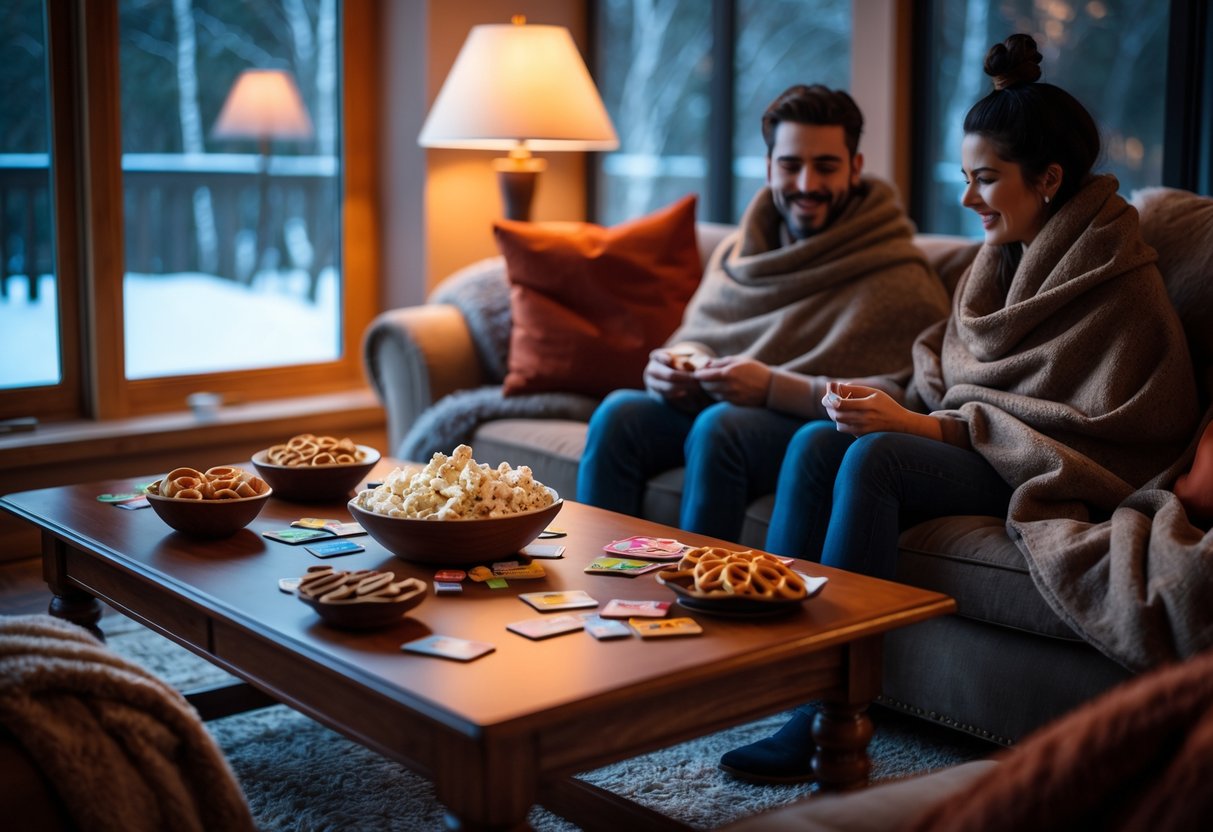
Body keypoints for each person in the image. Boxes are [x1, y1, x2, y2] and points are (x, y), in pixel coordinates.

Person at [720, 34, 1200, 783]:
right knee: (818, 445)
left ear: (1046, 178)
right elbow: (960, 374)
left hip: (1057, 468)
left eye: (984, 179)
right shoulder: (1001, 254)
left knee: (878, 458)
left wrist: (918, 426)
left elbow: (1101, 432)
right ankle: (773, 675)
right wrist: (898, 403)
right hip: (986, 445)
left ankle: (833, 713)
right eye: (966, 178)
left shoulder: (1117, 279)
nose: (967, 198)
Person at [576, 84, 950, 543]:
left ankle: (704, 596)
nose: (807, 185)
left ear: (855, 169)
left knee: (723, 426)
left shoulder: (898, 273)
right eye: (791, 166)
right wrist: (674, 364)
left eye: (826, 166)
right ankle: (597, 584)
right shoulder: (741, 250)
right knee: (619, 413)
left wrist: (771, 386)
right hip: (719, 404)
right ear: (770, 167)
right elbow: (699, 333)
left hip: (808, 427)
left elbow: (902, 395)